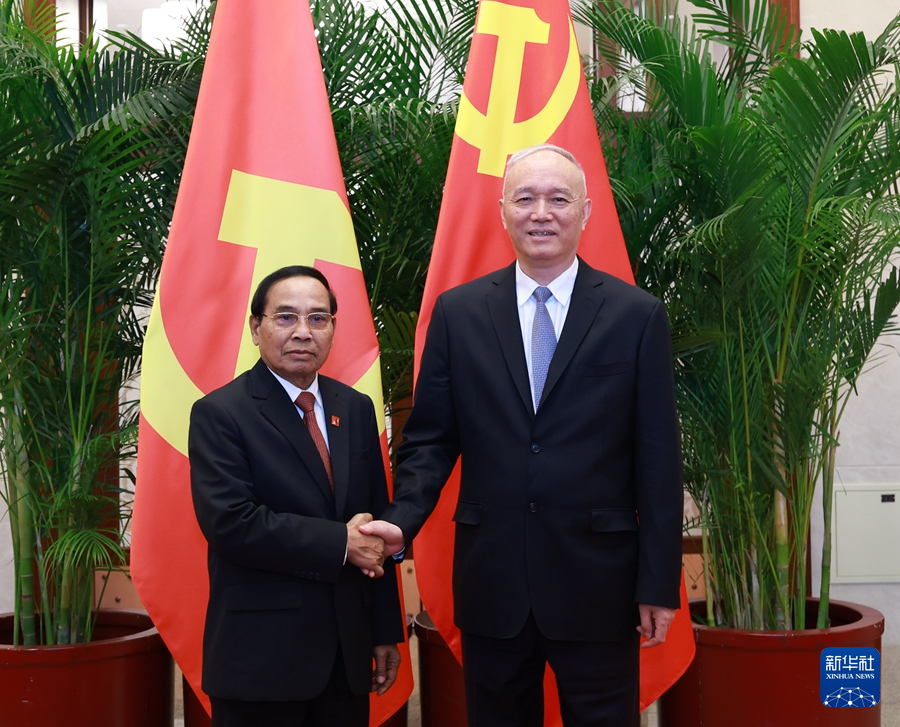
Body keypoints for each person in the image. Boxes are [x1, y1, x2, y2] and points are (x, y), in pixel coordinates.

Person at [362, 144, 683, 726]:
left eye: (558, 199)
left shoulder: (636, 316)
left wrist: (658, 583)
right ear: (503, 210)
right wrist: (401, 519)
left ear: (585, 211)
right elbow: (430, 440)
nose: (541, 213)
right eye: (525, 198)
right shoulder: (458, 314)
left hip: (599, 583)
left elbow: (658, 461)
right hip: (494, 579)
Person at [189, 265, 404, 727]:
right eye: (286, 317)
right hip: (262, 658)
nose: (303, 332)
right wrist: (341, 542)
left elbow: (376, 524)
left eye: (318, 318)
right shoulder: (220, 413)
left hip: (346, 656)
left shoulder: (355, 408)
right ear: (255, 327)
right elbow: (232, 523)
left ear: (333, 329)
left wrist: (384, 629)